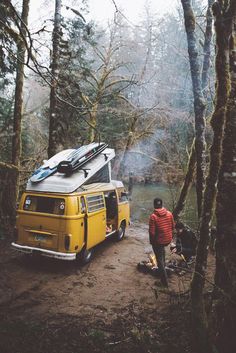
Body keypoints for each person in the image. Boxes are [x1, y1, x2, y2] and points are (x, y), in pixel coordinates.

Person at [149, 198, 174, 287]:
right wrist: (169, 237)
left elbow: (152, 232)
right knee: (161, 254)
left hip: (159, 241)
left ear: (154, 205)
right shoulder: (169, 213)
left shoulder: (153, 216)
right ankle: (163, 262)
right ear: (162, 205)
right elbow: (172, 226)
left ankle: (164, 283)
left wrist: (152, 242)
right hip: (167, 239)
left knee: (159, 261)